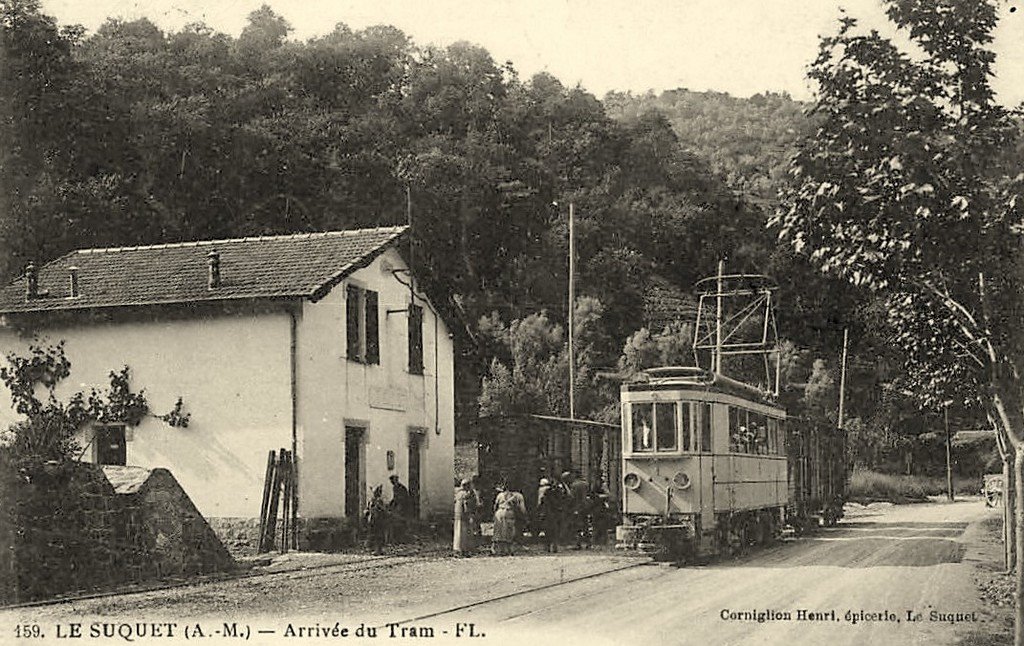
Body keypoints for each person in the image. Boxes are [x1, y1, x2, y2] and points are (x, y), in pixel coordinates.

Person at [491, 482, 527, 556]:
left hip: (499, 512)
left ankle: (496, 550)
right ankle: (508, 550)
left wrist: (494, 514)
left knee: (498, 530)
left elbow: (495, 506)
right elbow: (522, 508)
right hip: (509, 512)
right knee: (509, 531)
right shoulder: (518, 495)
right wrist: (524, 516)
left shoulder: (500, 495)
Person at [536, 476, 565, 552]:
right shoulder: (558, 491)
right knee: (554, 530)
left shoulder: (547, 492)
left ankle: (548, 547)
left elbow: (542, 501)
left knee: (548, 530)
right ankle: (554, 546)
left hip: (549, 512)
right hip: (555, 512)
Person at [453, 478, 477, 556]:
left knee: (458, 532)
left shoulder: (458, 494)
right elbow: (467, 505)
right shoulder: (468, 494)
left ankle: (457, 548)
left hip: (458, 515)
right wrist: (470, 515)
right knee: (465, 533)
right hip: (465, 515)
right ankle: (465, 549)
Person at [568, 472, 591, 549]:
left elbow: (572, 497)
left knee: (577, 525)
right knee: (585, 525)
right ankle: (588, 543)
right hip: (585, 507)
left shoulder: (574, 485)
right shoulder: (586, 484)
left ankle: (578, 543)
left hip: (577, 507)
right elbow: (588, 495)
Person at [364, 485, 389, 555]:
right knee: (373, 534)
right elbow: (368, 509)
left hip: (379, 520)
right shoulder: (371, 501)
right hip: (373, 520)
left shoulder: (380, 501)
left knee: (379, 535)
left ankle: (378, 549)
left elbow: (383, 510)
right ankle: (372, 548)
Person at [388, 475, 413, 542]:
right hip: (400, 505)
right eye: (391, 481)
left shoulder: (400, 487)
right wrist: (390, 504)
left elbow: (401, 498)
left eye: (393, 481)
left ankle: (401, 537)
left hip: (403, 505)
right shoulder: (395, 487)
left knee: (400, 520)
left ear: (395, 480)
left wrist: (397, 505)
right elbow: (395, 498)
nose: (392, 482)